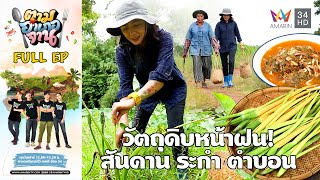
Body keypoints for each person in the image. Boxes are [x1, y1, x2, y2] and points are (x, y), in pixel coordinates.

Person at [106, 0, 188, 179]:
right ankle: (120, 165)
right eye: (125, 28)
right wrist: (123, 125)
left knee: (175, 130)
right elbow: (125, 87)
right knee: (134, 132)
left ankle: (183, 172)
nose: (131, 32)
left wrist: (134, 99)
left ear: (147, 23)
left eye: (136, 25)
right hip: (146, 93)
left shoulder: (164, 38)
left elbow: (160, 77)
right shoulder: (122, 51)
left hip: (173, 88)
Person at [183, 10, 219, 88]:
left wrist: (216, 49)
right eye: (198, 16)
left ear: (204, 17)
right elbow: (188, 39)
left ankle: (205, 79)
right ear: (196, 17)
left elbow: (212, 38)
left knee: (207, 66)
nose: (199, 18)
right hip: (195, 48)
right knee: (196, 65)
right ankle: (199, 82)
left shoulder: (208, 26)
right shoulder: (192, 26)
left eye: (201, 16)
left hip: (206, 49)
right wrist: (185, 51)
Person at [215, 8, 244, 88]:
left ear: (230, 16)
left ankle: (230, 80)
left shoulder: (234, 24)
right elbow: (216, 36)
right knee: (224, 64)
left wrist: (241, 43)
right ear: (222, 16)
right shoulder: (219, 24)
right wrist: (216, 46)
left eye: (227, 15)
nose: (226, 16)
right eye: (224, 15)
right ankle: (226, 81)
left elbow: (237, 34)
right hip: (222, 46)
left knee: (231, 62)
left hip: (232, 46)